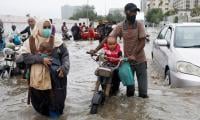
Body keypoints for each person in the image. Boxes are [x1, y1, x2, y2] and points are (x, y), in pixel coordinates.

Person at [90, 3, 148, 98]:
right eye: (132, 11)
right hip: (127, 62)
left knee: (143, 94)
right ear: (126, 12)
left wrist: (134, 54)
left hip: (140, 61)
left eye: (135, 12)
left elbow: (142, 42)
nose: (134, 14)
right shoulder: (120, 26)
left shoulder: (139, 25)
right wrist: (95, 50)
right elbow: (108, 38)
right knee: (130, 93)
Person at [21, 19, 70, 118]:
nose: (47, 29)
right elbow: (26, 58)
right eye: (45, 27)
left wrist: (64, 68)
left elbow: (65, 56)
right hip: (37, 79)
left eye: (49, 27)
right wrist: (41, 59)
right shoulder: (30, 41)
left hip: (55, 79)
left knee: (56, 103)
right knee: (40, 104)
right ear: (38, 27)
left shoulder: (57, 41)